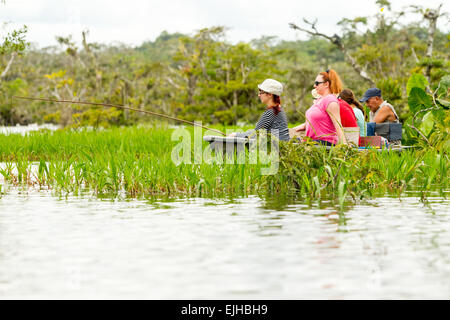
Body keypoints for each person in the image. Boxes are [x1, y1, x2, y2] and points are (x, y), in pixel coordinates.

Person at [292, 69, 347, 145]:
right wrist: (301, 126)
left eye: (317, 83)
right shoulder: (319, 100)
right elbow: (317, 119)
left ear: (326, 84)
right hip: (311, 142)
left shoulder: (331, 101)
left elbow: (338, 125)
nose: (314, 86)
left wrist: (344, 146)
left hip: (324, 143)